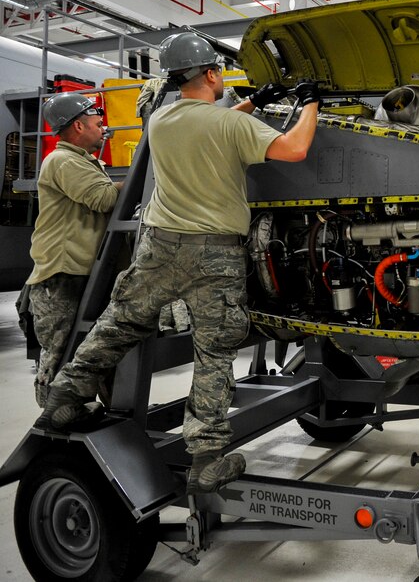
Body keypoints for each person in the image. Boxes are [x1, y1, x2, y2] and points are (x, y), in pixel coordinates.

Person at [36, 31, 321, 495]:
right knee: (214, 353)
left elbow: (212, 126)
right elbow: (294, 149)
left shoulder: (162, 121)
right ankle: (207, 460)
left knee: (119, 323)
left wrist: (252, 103)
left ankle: (63, 397)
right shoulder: (228, 126)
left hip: (161, 247)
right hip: (215, 253)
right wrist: (309, 103)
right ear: (212, 74)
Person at [25, 92, 123, 407]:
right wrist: (141, 178)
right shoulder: (62, 160)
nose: (103, 129)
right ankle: (52, 424)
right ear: (78, 127)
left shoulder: (82, 161)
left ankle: (104, 413)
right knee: (60, 352)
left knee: (98, 350)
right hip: (61, 276)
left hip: (81, 271)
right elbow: (104, 199)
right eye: (97, 123)